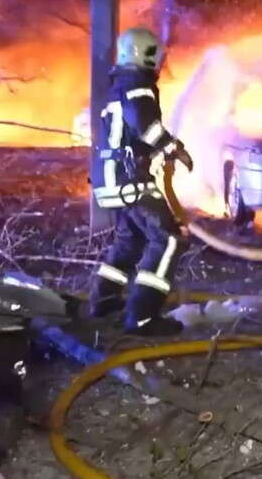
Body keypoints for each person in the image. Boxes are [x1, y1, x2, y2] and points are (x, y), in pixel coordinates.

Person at [89, 27, 194, 336]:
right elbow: (145, 126)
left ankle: (103, 301)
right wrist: (175, 149)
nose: (160, 64)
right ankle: (142, 316)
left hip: (111, 178)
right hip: (128, 179)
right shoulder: (137, 87)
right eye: (157, 57)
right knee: (169, 239)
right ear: (145, 55)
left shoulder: (119, 85)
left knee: (130, 240)